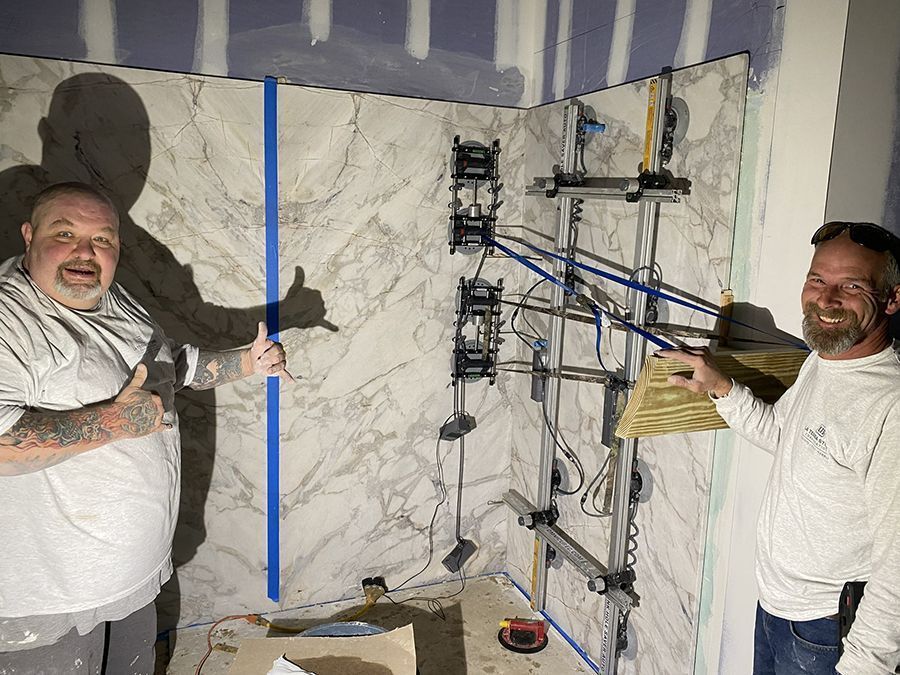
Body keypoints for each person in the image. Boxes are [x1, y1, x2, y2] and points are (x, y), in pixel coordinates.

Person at [0, 182, 293, 673]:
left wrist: (247, 362)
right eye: (65, 232)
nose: (84, 252)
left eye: (103, 239)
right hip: (52, 597)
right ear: (29, 235)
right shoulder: (12, 319)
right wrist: (111, 423)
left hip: (129, 577)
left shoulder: (115, 300)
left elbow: (168, 367)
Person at [660, 222, 900, 674]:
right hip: (778, 609)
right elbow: (784, 436)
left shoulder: (889, 404)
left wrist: (865, 667)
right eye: (817, 280)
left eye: (851, 286)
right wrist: (722, 388)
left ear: (892, 299)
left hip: (827, 634)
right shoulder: (825, 362)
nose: (826, 300)